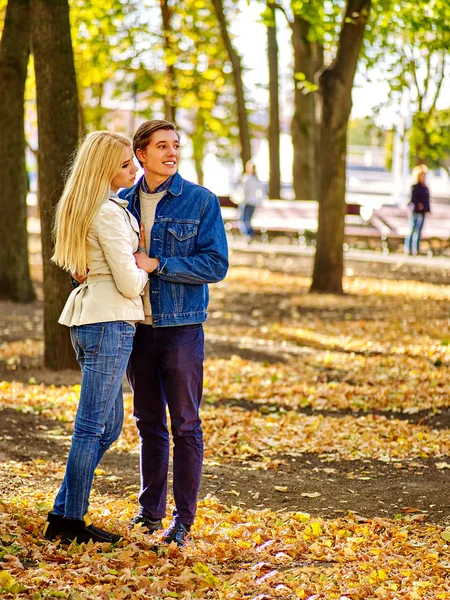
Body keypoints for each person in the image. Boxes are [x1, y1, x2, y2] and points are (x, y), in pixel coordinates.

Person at [43, 131, 158, 544]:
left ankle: (62, 511)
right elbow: (129, 283)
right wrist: (149, 261)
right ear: (105, 168)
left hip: (99, 320)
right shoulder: (107, 212)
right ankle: (70, 522)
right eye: (127, 164)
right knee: (91, 427)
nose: (135, 169)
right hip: (108, 322)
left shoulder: (102, 206)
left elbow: (88, 264)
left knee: (107, 427)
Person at [118, 119, 228, 547]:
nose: (171, 152)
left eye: (176, 145)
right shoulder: (120, 201)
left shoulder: (200, 201)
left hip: (181, 329)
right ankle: (149, 513)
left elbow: (215, 264)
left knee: (185, 424)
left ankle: (183, 521)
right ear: (140, 154)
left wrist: (159, 263)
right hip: (137, 329)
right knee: (148, 423)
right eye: (161, 145)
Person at [404, 165, 430, 256]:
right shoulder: (415, 187)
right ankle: (409, 248)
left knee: (419, 231)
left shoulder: (425, 187)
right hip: (416, 211)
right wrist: (418, 205)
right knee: (413, 229)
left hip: (422, 212)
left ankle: (416, 248)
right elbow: (413, 199)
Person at [236, 160, 265, 239]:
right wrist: (258, 200)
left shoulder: (246, 178)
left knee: (244, 220)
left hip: (246, 202)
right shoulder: (256, 179)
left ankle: (249, 234)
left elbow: (243, 191)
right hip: (253, 201)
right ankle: (249, 234)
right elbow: (262, 191)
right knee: (248, 220)